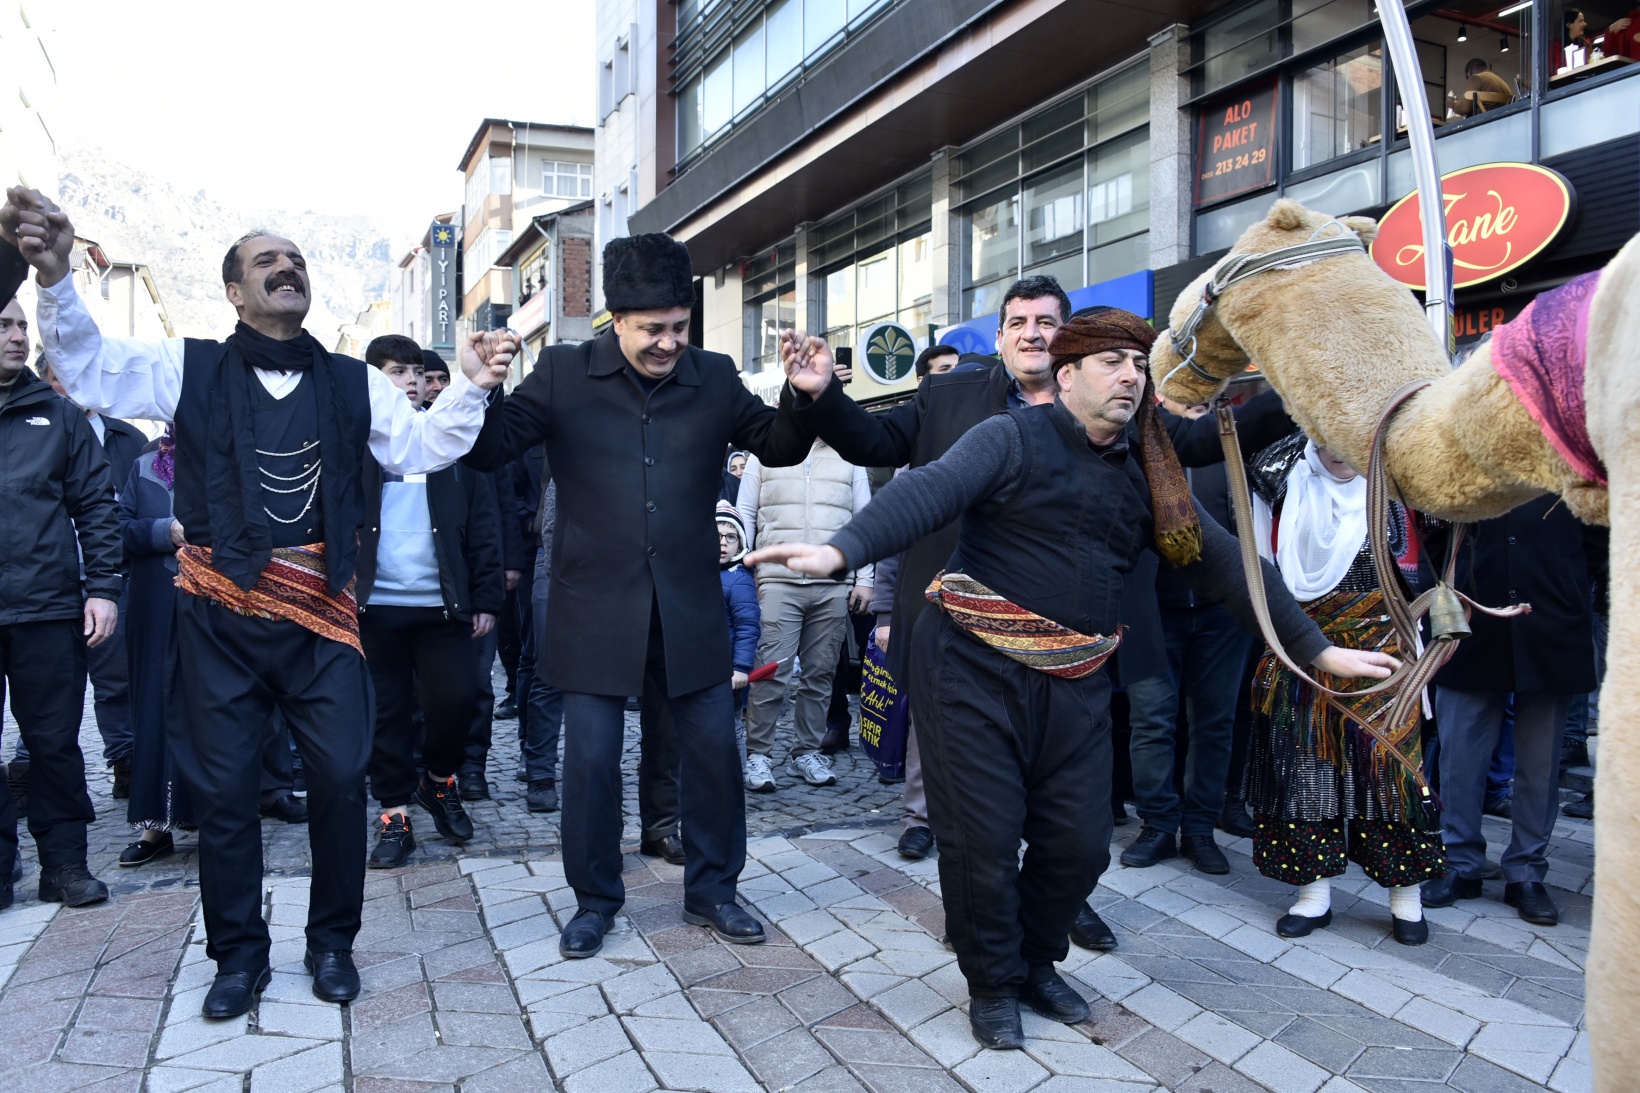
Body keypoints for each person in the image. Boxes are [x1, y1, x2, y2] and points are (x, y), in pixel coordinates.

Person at [748, 311, 1394, 1050]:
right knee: (983, 844)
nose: (1130, 375)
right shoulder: (1010, 437)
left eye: (1138, 364)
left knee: (1082, 844)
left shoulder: (1150, 475)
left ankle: (1032, 959)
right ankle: (992, 981)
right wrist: (843, 550)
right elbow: (929, 488)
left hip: (1077, 683)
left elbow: (1223, 565)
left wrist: (1314, 648)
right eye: (1113, 361)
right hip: (969, 674)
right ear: (1067, 376)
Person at [4, 185, 511, 1017]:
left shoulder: (357, 383)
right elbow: (91, 369)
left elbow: (425, 445)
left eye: (297, 261)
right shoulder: (188, 365)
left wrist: (473, 385)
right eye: (266, 260)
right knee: (227, 790)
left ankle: (332, 943)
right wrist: (56, 277)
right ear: (235, 291)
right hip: (219, 619)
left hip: (323, 619)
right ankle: (237, 957)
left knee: (344, 777)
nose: (288, 268)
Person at [779, 283, 1294, 942]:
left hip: (1081, 639)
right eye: (1017, 321)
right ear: (999, 338)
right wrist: (822, 395)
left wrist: (1306, 392)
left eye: (1046, 321)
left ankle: (1062, 903)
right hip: (967, 640)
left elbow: (1200, 448)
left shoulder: (1120, 407)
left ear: (1068, 346)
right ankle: (988, 927)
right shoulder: (953, 397)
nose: (1031, 332)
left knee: (1075, 819)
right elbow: (879, 444)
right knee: (985, 813)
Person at [459, 232, 821, 958]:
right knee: (591, 761)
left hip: (689, 602)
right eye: (652, 329)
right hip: (593, 608)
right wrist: (476, 385)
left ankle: (715, 888)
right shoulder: (563, 373)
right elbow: (491, 447)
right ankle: (594, 898)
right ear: (615, 321)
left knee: (713, 750)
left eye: (679, 327)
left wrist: (802, 396)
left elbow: (777, 443)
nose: (667, 342)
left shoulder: (713, 377)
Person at [1242, 432, 1444, 946]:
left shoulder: (1401, 478)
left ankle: (1407, 899)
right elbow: (1258, 567)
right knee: (1304, 773)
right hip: (1300, 645)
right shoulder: (1280, 472)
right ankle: (1314, 895)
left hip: (1384, 649)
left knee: (1391, 774)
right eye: (1327, 440)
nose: (1340, 452)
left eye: (1350, 441)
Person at [357, 335, 504, 869]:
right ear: (373, 381)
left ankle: (439, 782)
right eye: (398, 371)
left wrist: (485, 596)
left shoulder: (452, 441)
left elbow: (484, 525)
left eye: (417, 371)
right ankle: (394, 813)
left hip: (442, 605)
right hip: (373, 609)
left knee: (455, 703)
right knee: (385, 716)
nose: (413, 380)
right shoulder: (356, 445)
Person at [1422, 497, 1601, 926]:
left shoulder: (1573, 454)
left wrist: (1578, 591)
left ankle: (1526, 872)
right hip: (1471, 616)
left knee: (1540, 764)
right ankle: (1459, 862)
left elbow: (1601, 540)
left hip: (1552, 617)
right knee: (1461, 753)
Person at [0, 295, 120, 911]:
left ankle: (64, 865)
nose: (18, 336)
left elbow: (98, 507)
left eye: (22, 325)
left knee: (53, 742)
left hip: (46, 607)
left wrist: (102, 588)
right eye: (5, 325)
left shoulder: (59, 415)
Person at [34, 356, 146, 799]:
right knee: (44, 685)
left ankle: (127, 763)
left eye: (80, 373)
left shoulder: (127, 437)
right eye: (62, 376)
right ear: (46, 382)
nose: (74, 385)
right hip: (49, 579)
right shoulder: (36, 432)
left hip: (111, 577)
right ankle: (30, 771)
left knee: (116, 677)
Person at [737, 439, 873, 791]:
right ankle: (758, 756)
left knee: (821, 674)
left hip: (832, 583)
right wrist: (744, 573)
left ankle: (807, 752)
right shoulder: (764, 451)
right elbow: (744, 516)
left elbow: (865, 520)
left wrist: (865, 579)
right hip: (777, 580)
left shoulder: (850, 454)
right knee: (770, 671)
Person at [116, 427, 196, 865]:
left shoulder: (228, 455)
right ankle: (153, 827)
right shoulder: (144, 463)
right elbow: (119, 527)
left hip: (211, 599)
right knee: (152, 704)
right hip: (152, 602)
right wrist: (165, 530)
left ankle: (216, 818)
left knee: (211, 705)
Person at [717, 502, 761, 769]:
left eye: (730, 537)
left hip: (729, 671)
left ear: (740, 542)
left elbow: (747, 627)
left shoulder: (739, 580)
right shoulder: (697, 573)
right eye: (716, 536)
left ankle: (734, 772)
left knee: (731, 725)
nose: (722, 543)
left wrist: (741, 667)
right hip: (701, 669)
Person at [1449, 58, 1514, 116]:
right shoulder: (1503, 82)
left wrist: (1452, 105)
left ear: (1469, 72)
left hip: (1483, 123)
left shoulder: (1475, 78)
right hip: (1504, 123)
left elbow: (1464, 109)